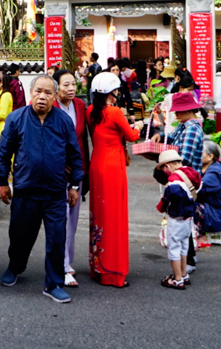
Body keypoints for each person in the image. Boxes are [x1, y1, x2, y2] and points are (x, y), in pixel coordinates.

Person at [0, 75, 84, 304]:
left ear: (55, 96)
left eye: (47, 92)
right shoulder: (17, 119)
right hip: (25, 191)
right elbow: (4, 153)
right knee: (19, 236)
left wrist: (74, 186)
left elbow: (75, 156)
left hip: (56, 193)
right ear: (30, 93)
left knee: (56, 239)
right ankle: (15, 267)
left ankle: (53, 283)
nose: (42, 97)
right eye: (38, 91)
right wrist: (3, 182)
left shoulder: (64, 122)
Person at [87, 71, 140, 288]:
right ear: (113, 91)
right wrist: (138, 126)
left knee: (99, 215)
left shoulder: (90, 110)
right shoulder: (115, 112)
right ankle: (113, 271)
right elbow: (132, 136)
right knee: (115, 216)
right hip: (113, 167)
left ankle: (98, 266)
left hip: (96, 164)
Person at [52, 68, 90, 288]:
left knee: (73, 221)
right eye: (66, 84)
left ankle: (68, 262)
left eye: (74, 84)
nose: (71, 88)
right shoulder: (51, 107)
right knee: (61, 219)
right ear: (57, 88)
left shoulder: (80, 106)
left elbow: (83, 138)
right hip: (57, 172)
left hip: (77, 169)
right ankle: (63, 267)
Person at [154, 149, 201, 290]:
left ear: (167, 166)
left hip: (177, 218)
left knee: (174, 247)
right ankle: (184, 273)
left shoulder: (173, 181)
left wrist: (163, 203)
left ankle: (177, 278)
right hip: (189, 217)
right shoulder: (189, 173)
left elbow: (170, 196)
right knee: (184, 246)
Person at [153, 92, 204, 172]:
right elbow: (172, 136)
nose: (176, 114)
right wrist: (160, 135)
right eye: (175, 112)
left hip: (187, 178)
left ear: (188, 110)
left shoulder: (192, 129)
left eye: (179, 111)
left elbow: (184, 159)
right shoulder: (183, 125)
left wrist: (162, 158)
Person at [196, 141, 221, 244]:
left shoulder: (215, 171)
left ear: (210, 156)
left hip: (217, 214)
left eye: (200, 153)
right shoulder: (204, 167)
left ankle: (201, 236)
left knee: (189, 206)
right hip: (211, 208)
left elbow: (200, 187)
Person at [0, 72, 15, 174]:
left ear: (1, 83)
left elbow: (3, 114)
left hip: (2, 127)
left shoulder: (6, 95)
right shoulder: (0, 94)